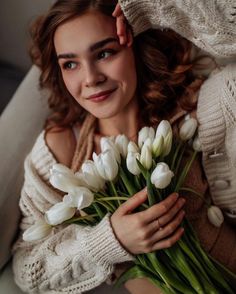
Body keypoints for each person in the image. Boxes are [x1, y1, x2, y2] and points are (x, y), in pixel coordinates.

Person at [12, 0, 236, 293]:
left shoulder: (205, 107)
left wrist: (151, 8)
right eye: (70, 63)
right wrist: (108, 242)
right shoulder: (62, 153)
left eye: (105, 52)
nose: (91, 78)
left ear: (136, 45)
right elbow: (27, 270)